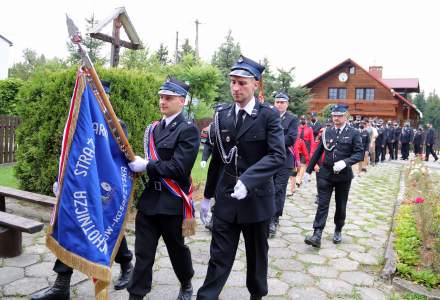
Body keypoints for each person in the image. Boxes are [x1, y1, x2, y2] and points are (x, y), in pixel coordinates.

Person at [30, 80, 133, 300]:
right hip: (81, 188)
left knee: (107, 230)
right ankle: (61, 286)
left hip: (105, 190)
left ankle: (127, 265)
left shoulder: (116, 125)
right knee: (72, 227)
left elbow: (118, 161)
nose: (96, 100)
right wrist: (62, 180)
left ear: (106, 99)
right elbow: (71, 154)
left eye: (99, 95)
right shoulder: (80, 121)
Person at [197, 55, 285, 300]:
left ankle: (257, 295)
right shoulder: (222, 114)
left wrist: (248, 180)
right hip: (226, 198)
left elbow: (277, 155)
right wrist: (206, 196)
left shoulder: (268, 115)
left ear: (255, 84)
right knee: (218, 258)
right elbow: (218, 157)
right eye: (232, 82)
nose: (235, 88)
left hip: (256, 199)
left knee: (256, 258)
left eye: (242, 83)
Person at [126, 77, 200, 300]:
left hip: (172, 202)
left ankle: (186, 282)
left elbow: (178, 167)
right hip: (150, 202)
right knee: (143, 254)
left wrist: (147, 164)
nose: (162, 101)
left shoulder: (188, 130)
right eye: (161, 97)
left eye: (168, 98)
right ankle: (136, 295)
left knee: (176, 249)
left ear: (182, 101)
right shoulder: (153, 129)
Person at [303, 104, 363, 248]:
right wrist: (308, 170)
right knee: (322, 204)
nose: (336, 118)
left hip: (343, 175)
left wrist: (345, 162)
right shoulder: (326, 132)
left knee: (341, 205)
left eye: (339, 115)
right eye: (334, 115)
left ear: (346, 116)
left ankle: (338, 229)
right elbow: (318, 152)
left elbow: (359, 153)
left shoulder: (354, 133)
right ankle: (317, 233)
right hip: (326, 173)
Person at [269, 91, 298, 238]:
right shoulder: (269, 115)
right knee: (268, 187)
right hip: (269, 159)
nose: (279, 105)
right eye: (277, 102)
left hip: (285, 160)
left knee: (278, 189)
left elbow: (291, 138)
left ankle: (274, 219)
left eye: (282, 102)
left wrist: (273, 141)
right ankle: (267, 215)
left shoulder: (292, 119)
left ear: (287, 104)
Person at [297, 115, 314, 186]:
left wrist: (312, 151)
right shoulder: (297, 128)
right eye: (302, 119)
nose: (303, 121)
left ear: (306, 121)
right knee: (298, 164)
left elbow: (312, 140)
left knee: (303, 164)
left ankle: (299, 180)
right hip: (298, 147)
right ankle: (299, 176)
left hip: (306, 147)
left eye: (304, 119)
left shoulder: (309, 129)